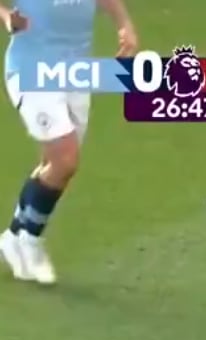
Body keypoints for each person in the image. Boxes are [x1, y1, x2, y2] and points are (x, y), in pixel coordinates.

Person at [1, 0, 138, 285]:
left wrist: (124, 24)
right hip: (30, 71)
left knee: (52, 165)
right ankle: (30, 239)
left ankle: (14, 236)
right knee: (65, 160)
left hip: (75, 72)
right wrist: (6, 17)